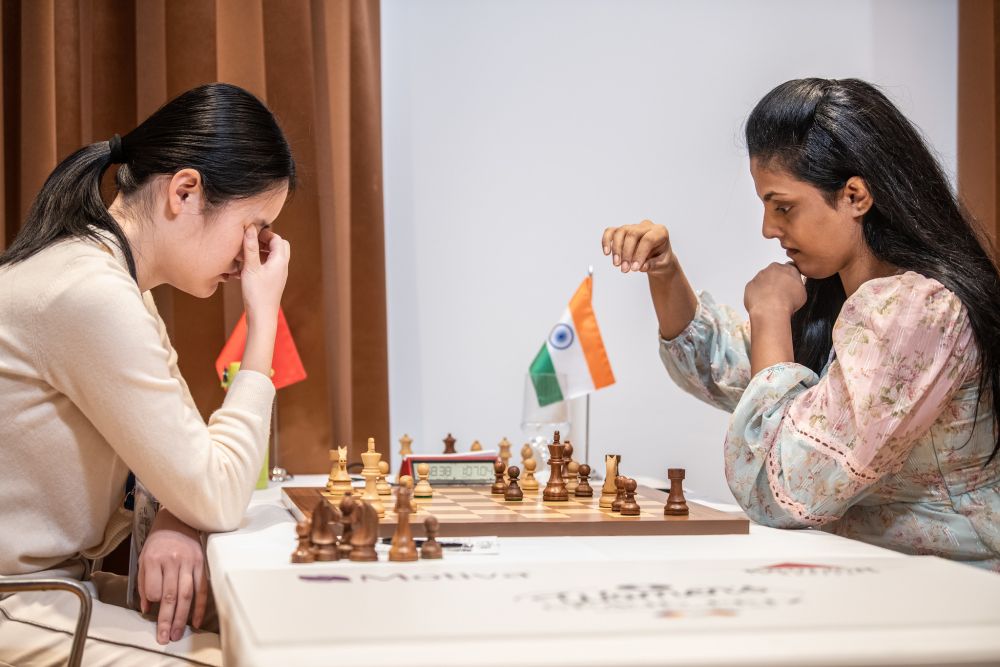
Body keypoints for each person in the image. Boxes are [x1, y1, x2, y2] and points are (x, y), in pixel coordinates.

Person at [602, 78, 1000, 571]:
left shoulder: (917, 311)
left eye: (783, 206)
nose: (769, 228)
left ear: (855, 195)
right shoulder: (845, 300)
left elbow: (785, 487)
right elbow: (725, 368)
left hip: (952, 591)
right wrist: (665, 271)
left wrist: (770, 313)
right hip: (878, 577)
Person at [0, 82, 295, 662]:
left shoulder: (112, 281)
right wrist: (263, 320)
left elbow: (185, 464)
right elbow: (215, 491)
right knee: (242, 656)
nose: (251, 257)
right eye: (253, 228)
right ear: (185, 191)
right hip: (20, 598)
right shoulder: (90, 293)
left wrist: (174, 517)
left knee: (263, 626)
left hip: (54, 587)